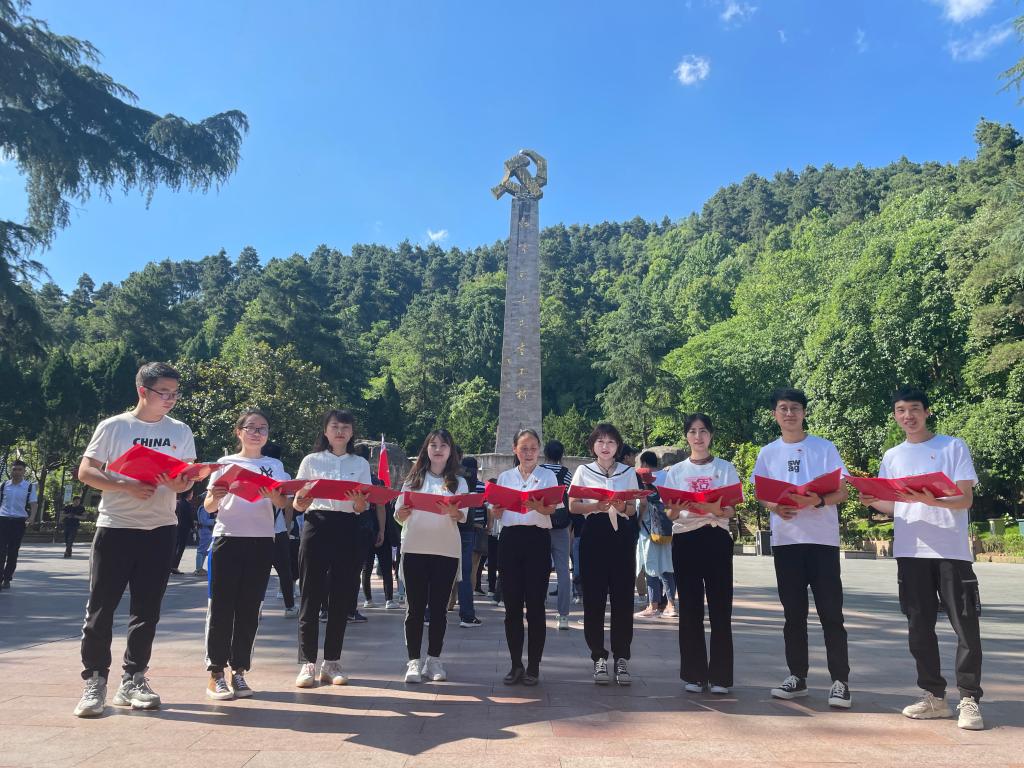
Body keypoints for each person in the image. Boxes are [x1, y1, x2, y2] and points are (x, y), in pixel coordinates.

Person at [73, 362, 197, 718]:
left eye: (175, 393)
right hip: (116, 527)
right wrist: (125, 485)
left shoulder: (180, 430)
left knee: (147, 611)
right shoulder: (114, 426)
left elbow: (187, 478)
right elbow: (86, 471)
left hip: (161, 528)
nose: (171, 399)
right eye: (164, 392)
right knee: (101, 608)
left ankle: (134, 679)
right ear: (143, 391)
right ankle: (95, 681)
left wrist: (181, 483)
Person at [857, 387, 984, 730]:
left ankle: (969, 699)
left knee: (965, 626)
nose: (908, 416)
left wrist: (931, 501)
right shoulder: (892, 456)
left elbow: (965, 499)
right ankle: (935, 697)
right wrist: (870, 499)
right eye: (901, 410)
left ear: (927, 412)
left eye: (914, 409)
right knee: (919, 628)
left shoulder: (952, 447)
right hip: (910, 552)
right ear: (895, 416)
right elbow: (894, 505)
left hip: (951, 552)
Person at [752, 388, 852, 709]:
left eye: (795, 408)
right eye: (783, 408)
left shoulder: (824, 448)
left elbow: (843, 491)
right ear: (775, 414)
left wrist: (818, 500)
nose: (789, 413)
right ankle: (797, 676)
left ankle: (840, 681)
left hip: (822, 541)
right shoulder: (768, 453)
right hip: (786, 543)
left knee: (831, 613)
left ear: (804, 412)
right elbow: (761, 493)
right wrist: (774, 506)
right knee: (793, 614)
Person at [202, 409, 291, 700]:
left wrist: (273, 495)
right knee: (221, 607)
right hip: (227, 539)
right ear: (238, 432)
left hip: (262, 540)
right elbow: (209, 506)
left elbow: (283, 503)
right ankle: (216, 673)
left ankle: (239, 670)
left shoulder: (274, 465)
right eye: (251, 427)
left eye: (263, 428)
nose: (257, 433)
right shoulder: (224, 464)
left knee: (250, 608)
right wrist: (216, 496)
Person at [291, 409, 372, 688]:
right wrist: (300, 502)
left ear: (352, 432)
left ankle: (332, 662)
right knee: (310, 595)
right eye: (335, 426)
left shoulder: (360, 463)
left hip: (347, 527)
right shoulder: (311, 460)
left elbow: (363, 504)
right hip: (316, 525)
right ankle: (307, 663)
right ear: (325, 430)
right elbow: (298, 501)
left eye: (345, 427)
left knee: (341, 595)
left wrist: (360, 504)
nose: (340, 431)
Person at [663, 415, 739, 694]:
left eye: (703, 431)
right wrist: (677, 507)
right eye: (693, 431)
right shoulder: (676, 471)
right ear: (686, 436)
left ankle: (721, 677)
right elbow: (670, 513)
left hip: (716, 537)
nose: (698, 437)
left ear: (711, 435)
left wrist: (713, 509)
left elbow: (731, 509)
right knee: (690, 607)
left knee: (720, 607)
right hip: (686, 539)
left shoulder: (725, 468)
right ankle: (694, 674)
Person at [569, 423, 641, 686]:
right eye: (600, 441)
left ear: (617, 446)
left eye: (611, 441)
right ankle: (598, 656)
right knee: (594, 599)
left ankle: (621, 657)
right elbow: (573, 505)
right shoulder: (583, 471)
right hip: (594, 533)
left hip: (621, 535)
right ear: (593, 446)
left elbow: (633, 509)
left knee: (623, 598)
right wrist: (596, 506)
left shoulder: (628, 472)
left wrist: (622, 506)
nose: (605, 446)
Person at [396, 430, 467, 683]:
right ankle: (413, 661)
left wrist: (453, 511)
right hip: (415, 548)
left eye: (443, 445)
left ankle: (434, 659)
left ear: (450, 451)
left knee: (439, 609)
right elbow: (399, 515)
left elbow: (463, 516)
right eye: (433, 445)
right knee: (415, 609)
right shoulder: (412, 480)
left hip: (446, 550)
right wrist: (403, 512)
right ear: (426, 449)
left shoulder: (459, 483)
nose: (438, 450)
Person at [490, 429, 559, 685]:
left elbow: (553, 509)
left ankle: (534, 666)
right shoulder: (505, 477)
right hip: (510, 539)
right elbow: (496, 513)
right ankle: (515, 664)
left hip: (537, 540)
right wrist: (496, 510)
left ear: (539, 450)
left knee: (536, 606)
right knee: (512, 607)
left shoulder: (548, 476)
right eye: (523, 448)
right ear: (515, 450)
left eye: (533, 448)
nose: (528, 453)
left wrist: (540, 507)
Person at [635, 451, 676, 619]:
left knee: (651, 570)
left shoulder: (641, 493)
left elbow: (642, 507)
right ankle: (671, 605)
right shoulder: (658, 492)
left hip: (648, 536)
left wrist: (637, 522)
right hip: (664, 534)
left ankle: (652, 606)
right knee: (666, 569)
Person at [449, 456, 486, 627]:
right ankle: (467, 614)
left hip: (450, 526)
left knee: (442, 569)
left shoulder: (450, 481)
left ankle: (436, 610)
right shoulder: (479, 485)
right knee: (467, 571)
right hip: (469, 528)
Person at [540, 441, 573, 630]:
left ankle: (539, 606)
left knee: (540, 569)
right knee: (563, 571)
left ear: (545, 453)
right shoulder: (566, 473)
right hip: (561, 526)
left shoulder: (539, 471)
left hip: (541, 524)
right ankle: (563, 616)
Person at [262, 442, 297, 617]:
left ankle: (257, 607)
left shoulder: (255, 473)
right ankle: (289, 606)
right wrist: (288, 527)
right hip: (279, 529)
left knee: (259, 571)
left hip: (257, 530)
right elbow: (288, 506)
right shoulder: (284, 476)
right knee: (285, 571)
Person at [0, 459, 39, 587]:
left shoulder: (29, 487)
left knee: (13, 551)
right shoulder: (4, 485)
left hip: (18, 522)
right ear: (11, 470)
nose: (16, 472)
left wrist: (32, 517)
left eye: (19, 469)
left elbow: (33, 503)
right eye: (14, 469)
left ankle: (7, 578)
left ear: (24, 471)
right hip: (3, 520)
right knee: (1, 551)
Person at [170, 490, 196, 574]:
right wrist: (193, 528)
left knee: (174, 546)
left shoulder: (177, 502)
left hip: (175, 527)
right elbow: (190, 517)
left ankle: (170, 565)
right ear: (188, 494)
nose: (192, 495)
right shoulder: (187, 504)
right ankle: (174, 566)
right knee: (180, 548)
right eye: (192, 493)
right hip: (184, 528)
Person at [194, 496, 215, 577]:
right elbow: (203, 521)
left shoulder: (204, 508)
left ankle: (200, 568)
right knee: (201, 550)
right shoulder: (204, 508)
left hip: (205, 530)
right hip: (205, 531)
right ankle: (198, 569)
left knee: (204, 550)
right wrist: (215, 520)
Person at [62, 494, 87, 559]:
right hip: (66, 524)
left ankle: (67, 552)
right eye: (76, 501)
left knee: (71, 539)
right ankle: (69, 550)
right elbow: (62, 514)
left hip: (74, 526)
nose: (77, 502)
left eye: (78, 501)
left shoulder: (81, 508)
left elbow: (84, 517)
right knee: (66, 539)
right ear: (73, 501)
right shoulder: (67, 507)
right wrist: (68, 515)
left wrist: (76, 516)